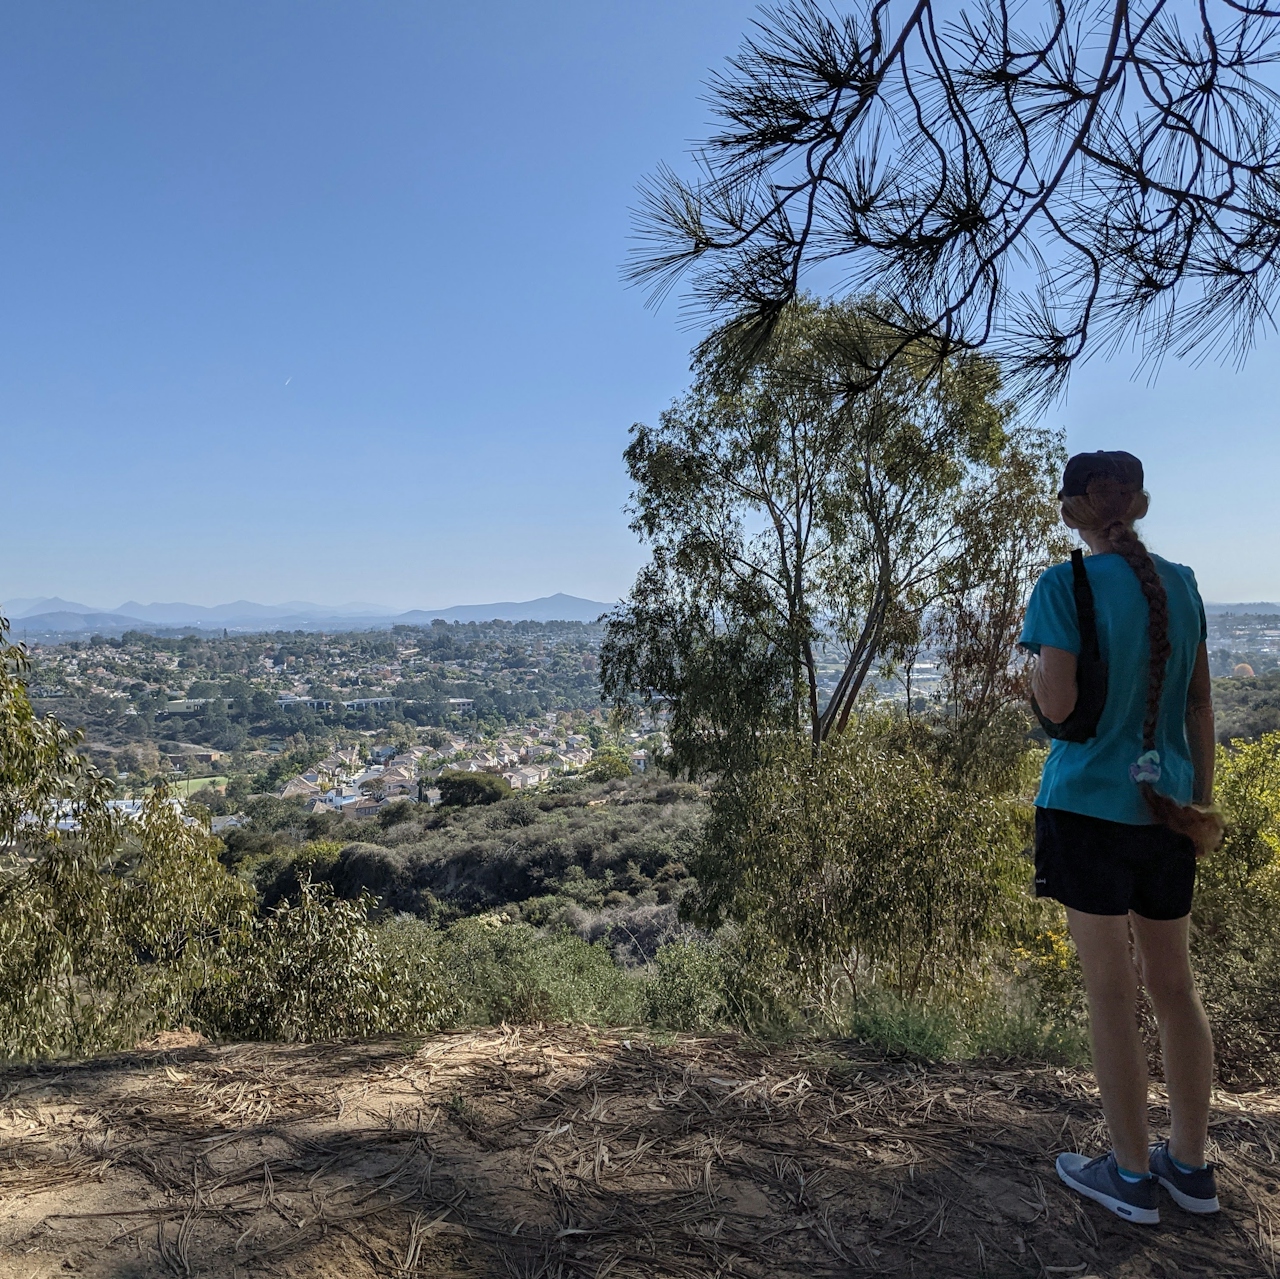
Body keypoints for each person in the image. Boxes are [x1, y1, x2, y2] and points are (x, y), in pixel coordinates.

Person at [1019, 450, 1225, 1225]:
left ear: (1073, 511)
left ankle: (1131, 1174)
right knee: (1175, 989)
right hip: (1167, 810)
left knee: (1111, 992)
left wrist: (1036, 684)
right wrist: (1195, 802)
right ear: (1137, 505)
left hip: (1085, 811)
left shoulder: (1061, 585)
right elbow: (1200, 707)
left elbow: (1060, 704)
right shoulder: (1185, 583)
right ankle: (1192, 1168)